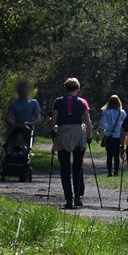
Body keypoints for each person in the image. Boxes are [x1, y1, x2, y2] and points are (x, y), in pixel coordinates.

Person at [50, 77, 93, 209]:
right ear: (77, 89)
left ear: (65, 88)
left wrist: (53, 130)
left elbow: (53, 120)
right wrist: (89, 137)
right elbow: (88, 122)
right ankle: (77, 197)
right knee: (77, 166)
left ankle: (68, 198)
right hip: (77, 134)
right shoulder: (82, 102)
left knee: (64, 167)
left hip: (63, 132)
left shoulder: (58, 101)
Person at [98, 95, 126, 177]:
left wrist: (99, 133)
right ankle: (116, 171)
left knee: (109, 155)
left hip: (108, 135)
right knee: (116, 155)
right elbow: (125, 124)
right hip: (118, 135)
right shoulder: (122, 112)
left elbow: (102, 124)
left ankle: (109, 172)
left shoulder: (106, 112)